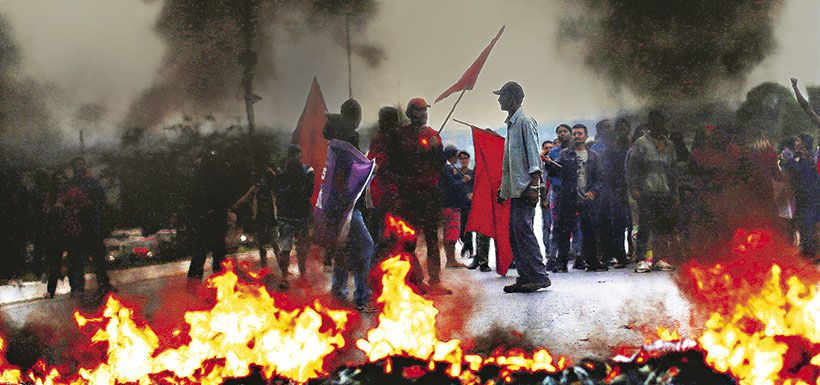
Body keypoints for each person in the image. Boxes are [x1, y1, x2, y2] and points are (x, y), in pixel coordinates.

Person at [386, 97, 452, 295]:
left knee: (432, 237)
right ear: (410, 113)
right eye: (419, 110)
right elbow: (394, 164)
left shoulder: (434, 136)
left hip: (430, 194)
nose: (423, 114)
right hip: (408, 194)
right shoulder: (399, 135)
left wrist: (436, 149)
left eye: (425, 110)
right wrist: (421, 152)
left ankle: (435, 280)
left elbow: (441, 165)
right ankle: (413, 279)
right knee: (408, 239)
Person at [494, 81, 551, 293]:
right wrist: (503, 189)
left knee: (524, 231)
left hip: (526, 188)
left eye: (502, 95)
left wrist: (535, 187)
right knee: (515, 232)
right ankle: (525, 275)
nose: (499, 99)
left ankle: (538, 275)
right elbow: (510, 163)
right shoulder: (512, 123)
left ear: (514, 98)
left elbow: (533, 157)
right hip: (516, 189)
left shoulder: (525, 121)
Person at [323, 99, 376, 311]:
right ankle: (362, 296)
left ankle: (339, 295)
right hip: (347, 206)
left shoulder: (333, 138)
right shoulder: (348, 137)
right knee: (365, 245)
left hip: (335, 205)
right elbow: (350, 171)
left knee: (342, 250)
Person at [545, 124, 606, 272]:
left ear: (585, 136)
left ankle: (592, 261)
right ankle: (562, 263)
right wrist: (548, 164)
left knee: (589, 230)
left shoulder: (593, 156)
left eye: (580, 133)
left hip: (587, 198)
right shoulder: (565, 154)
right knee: (564, 231)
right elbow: (554, 172)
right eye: (575, 134)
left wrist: (593, 192)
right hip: (568, 198)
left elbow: (599, 178)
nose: (577, 136)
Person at [626, 110, 678, 273]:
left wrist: (674, 193)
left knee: (663, 227)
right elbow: (632, 168)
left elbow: (673, 171)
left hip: (665, 192)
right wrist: (634, 189)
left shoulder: (670, 145)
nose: (659, 126)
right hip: (646, 192)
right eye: (655, 123)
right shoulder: (641, 143)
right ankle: (641, 259)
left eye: (661, 123)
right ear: (650, 125)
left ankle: (660, 259)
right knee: (645, 226)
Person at [62, 157, 115, 294]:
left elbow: (102, 200)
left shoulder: (92, 182)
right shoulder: (69, 184)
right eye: (78, 165)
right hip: (76, 225)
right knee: (76, 257)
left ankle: (103, 282)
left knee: (98, 255)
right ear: (73, 168)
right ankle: (78, 286)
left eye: (82, 165)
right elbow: (65, 202)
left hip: (91, 223)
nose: (80, 167)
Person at [187, 148, 232, 282]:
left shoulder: (200, 177)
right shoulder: (215, 176)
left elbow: (194, 199)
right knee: (215, 252)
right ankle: (217, 278)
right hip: (212, 220)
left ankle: (196, 280)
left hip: (207, 220)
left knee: (202, 252)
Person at [273, 145, 315, 285]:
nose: (294, 158)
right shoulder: (284, 172)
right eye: (293, 155)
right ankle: (286, 277)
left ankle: (298, 277)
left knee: (299, 248)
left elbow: (308, 192)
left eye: (295, 155)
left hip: (296, 214)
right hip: (290, 215)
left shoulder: (305, 171)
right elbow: (278, 193)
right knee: (287, 248)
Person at [366, 106, 401, 265]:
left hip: (384, 192)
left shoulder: (384, 138)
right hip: (387, 192)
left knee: (387, 231)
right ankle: (377, 266)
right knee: (385, 232)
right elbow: (374, 164)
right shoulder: (386, 139)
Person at [547, 124, 583, 270]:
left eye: (565, 131)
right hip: (559, 194)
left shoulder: (578, 151)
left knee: (577, 226)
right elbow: (551, 173)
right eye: (560, 132)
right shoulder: (555, 152)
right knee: (558, 227)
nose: (563, 134)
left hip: (576, 194)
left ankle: (578, 256)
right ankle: (555, 258)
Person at [231, 167, 280, 270]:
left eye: (264, 177)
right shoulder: (256, 188)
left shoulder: (271, 188)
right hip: (260, 219)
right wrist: (235, 206)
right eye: (261, 177)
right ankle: (264, 268)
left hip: (271, 218)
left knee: (274, 243)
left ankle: (282, 267)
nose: (262, 179)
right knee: (262, 245)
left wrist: (270, 171)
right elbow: (246, 197)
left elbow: (277, 180)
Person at [598, 118, 631, 268]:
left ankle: (619, 255)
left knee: (618, 223)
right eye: (606, 128)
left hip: (618, 189)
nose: (609, 131)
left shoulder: (620, 147)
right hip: (603, 190)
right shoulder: (597, 148)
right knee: (605, 223)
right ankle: (607, 255)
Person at [779, 133, 818, 258]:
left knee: (808, 225)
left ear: (804, 143)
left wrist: (789, 161)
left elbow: (800, 172)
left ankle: (810, 253)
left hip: (810, 198)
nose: (796, 143)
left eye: (798, 140)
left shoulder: (809, 159)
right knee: (802, 223)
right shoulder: (801, 157)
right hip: (803, 197)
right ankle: (807, 251)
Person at [439, 145, 468, 268]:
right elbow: (452, 185)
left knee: (451, 233)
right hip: (450, 206)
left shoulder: (449, 168)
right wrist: (463, 181)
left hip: (450, 205)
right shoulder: (446, 169)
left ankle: (450, 259)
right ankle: (450, 260)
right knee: (452, 233)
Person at [539, 140, 554, 255]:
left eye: (551, 148)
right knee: (547, 224)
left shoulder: (556, 164)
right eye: (546, 148)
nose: (549, 150)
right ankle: (548, 250)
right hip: (545, 200)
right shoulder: (540, 166)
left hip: (556, 198)